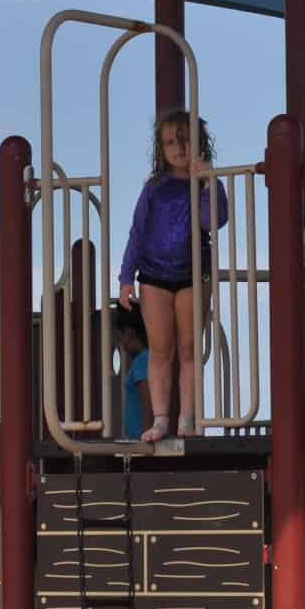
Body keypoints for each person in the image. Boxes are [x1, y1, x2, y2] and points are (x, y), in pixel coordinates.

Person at [118, 110, 228, 443]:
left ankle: (188, 417)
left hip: (193, 274)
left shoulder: (207, 183)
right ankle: (162, 418)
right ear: (161, 150)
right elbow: (137, 232)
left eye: (184, 140)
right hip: (153, 275)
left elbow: (214, 221)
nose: (178, 147)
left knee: (190, 347)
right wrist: (125, 277)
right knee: (161, 349)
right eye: (170, 142)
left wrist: (208, 183)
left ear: (199, 143)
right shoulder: (154, 188)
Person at [113, 302, 152, 440]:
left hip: (142, 442)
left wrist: (147, 438)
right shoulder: (145, 359)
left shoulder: (142, 360)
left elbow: (147, 400)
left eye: (121, 338)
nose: (122, 344)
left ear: (130, 333)